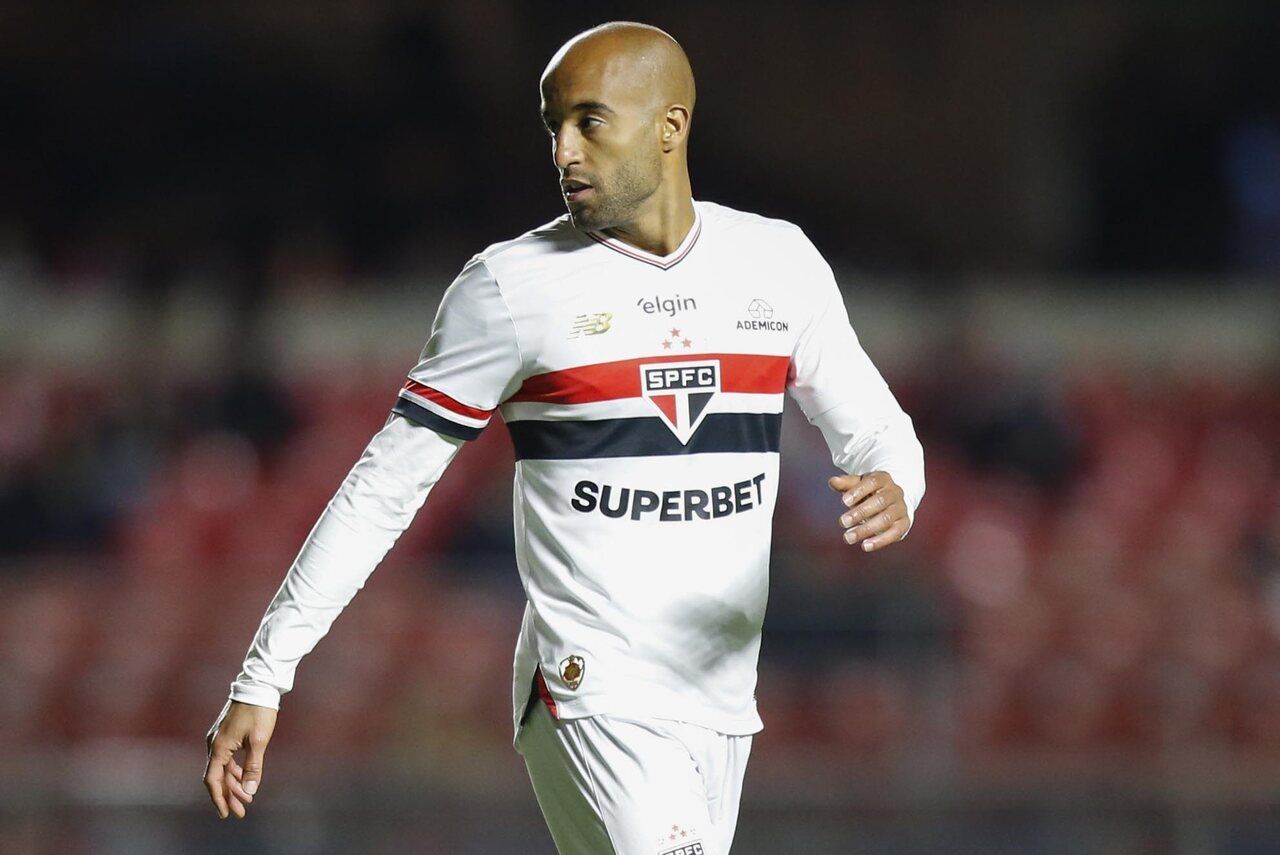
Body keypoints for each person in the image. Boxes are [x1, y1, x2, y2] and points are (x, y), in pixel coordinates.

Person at [203, 20, 924, 854]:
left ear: (670, 126)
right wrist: (266, 672)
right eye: (554, 127)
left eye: (589, 121)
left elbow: (878, 430)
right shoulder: (509, 288)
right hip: (590, 688)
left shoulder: (778, 263)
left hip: (721, 699)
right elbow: (381, 490)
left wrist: (896, 482)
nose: (563, 152)